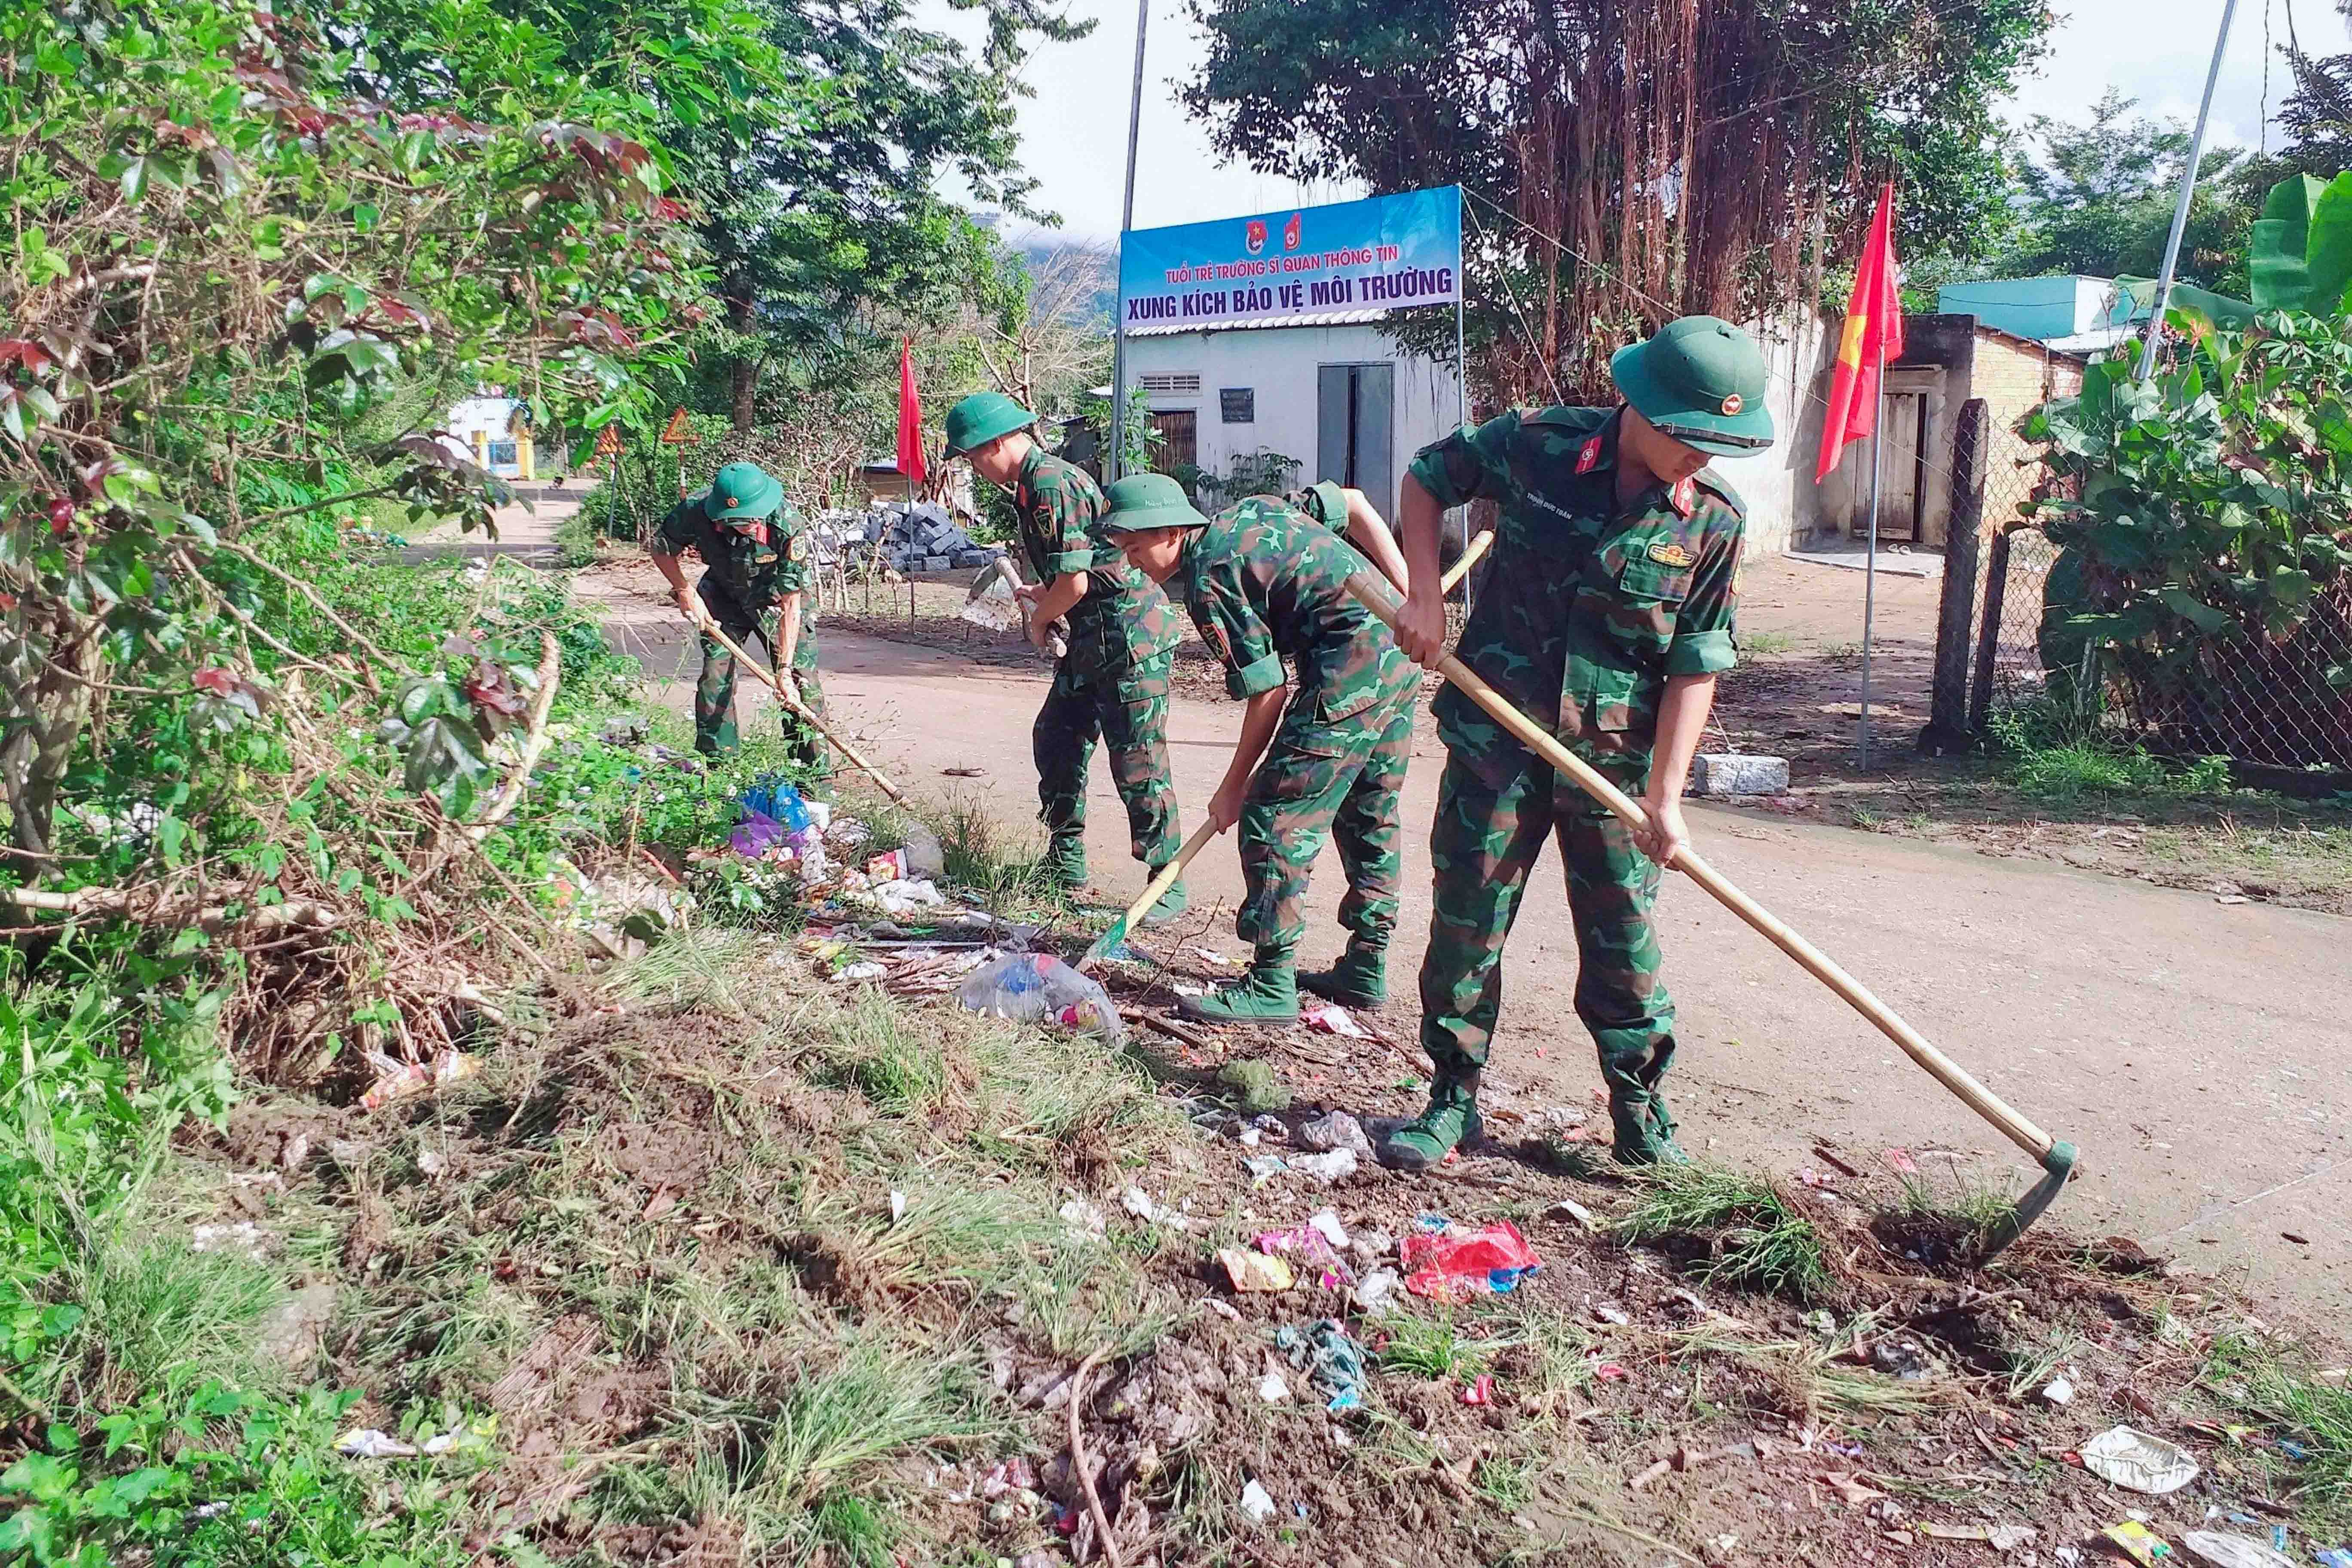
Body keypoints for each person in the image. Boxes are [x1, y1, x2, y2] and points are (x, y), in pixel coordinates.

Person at [1379, 315, 1776, 1171]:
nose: (1704, 458)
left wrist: (1665, 799)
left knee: (1623, 940)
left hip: (1614, 766)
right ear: (1640, 404)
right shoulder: (1536, 443)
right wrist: (1422, 594)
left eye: (1722, 444)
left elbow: (1696, 664)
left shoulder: (1713, 521)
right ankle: (1451, 1097)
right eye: (1693, 437)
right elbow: (1424, 481)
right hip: (1497, 734)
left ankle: (1639, 1113)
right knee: (1467, 922)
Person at [1099, 473, 1417, 1023]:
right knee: (1369, 808)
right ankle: (1367, 964)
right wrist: (1410, 602)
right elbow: (1359, 504)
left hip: (1349, 670)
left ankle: (1271, 984)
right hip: (1395, 656)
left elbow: (1268, 693)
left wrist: (1234, 790)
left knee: (1275, 813)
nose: (1131, 564)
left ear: (1174, 531)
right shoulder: (1254, 509)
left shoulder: (1209, 579)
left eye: (1135, 548)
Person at [942, 392, 1186, 919]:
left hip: (1128, 636)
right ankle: (1065, 859)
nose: (974, 467)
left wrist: (1038, 619)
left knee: (1138, 760)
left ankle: (1166, 882)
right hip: (1091, 638)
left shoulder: (1050, 482)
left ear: (998, 444)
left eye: (972, 456)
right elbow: (1076, 567)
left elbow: (1075, 582)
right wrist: (1042, 591)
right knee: (1057, 739)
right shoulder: (1030, 486)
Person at [648, 459, 826, 770]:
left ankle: (812, 779)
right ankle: (720, 773)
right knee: (715, 678)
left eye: (751, 521)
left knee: (799, 685)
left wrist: (783, 669)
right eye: (737, 522)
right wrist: (684, 591)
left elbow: (791, 604)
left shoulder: (787, 523)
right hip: (723, 595)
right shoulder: (696, 510)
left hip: (775, 599)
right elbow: (661, 548)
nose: (747, 527)